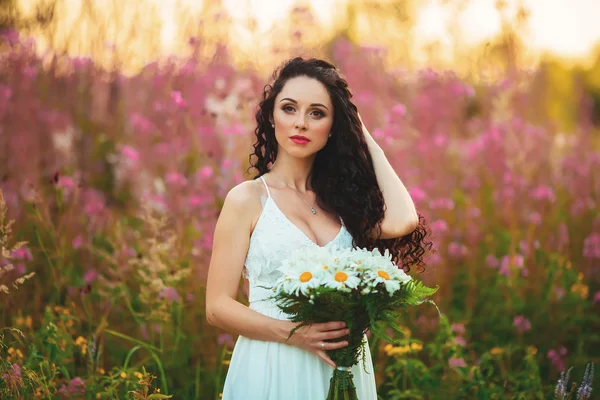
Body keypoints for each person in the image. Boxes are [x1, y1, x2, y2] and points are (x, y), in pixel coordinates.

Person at [206, 57, 432, 400]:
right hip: (273, 362)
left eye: (317, 113)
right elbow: (217, 307)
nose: (300, 123)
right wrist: (294, 334)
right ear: (271, 116)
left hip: (342, 366)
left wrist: (365, 137)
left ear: (333, 126)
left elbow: (404, 220)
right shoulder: (247, 200)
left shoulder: (343, 205)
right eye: (289, 108)